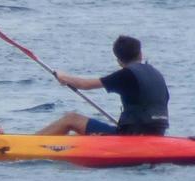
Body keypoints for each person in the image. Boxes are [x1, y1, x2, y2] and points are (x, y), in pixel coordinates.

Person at [37, 34, 169, 136]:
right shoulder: (156, 74)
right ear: (140, 54)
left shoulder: (126, 75)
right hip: (157, 133)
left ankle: (26, 144)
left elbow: (85, 84)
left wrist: (62, 76)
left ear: (119, 61)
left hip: (131, 136)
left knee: (71, 119)